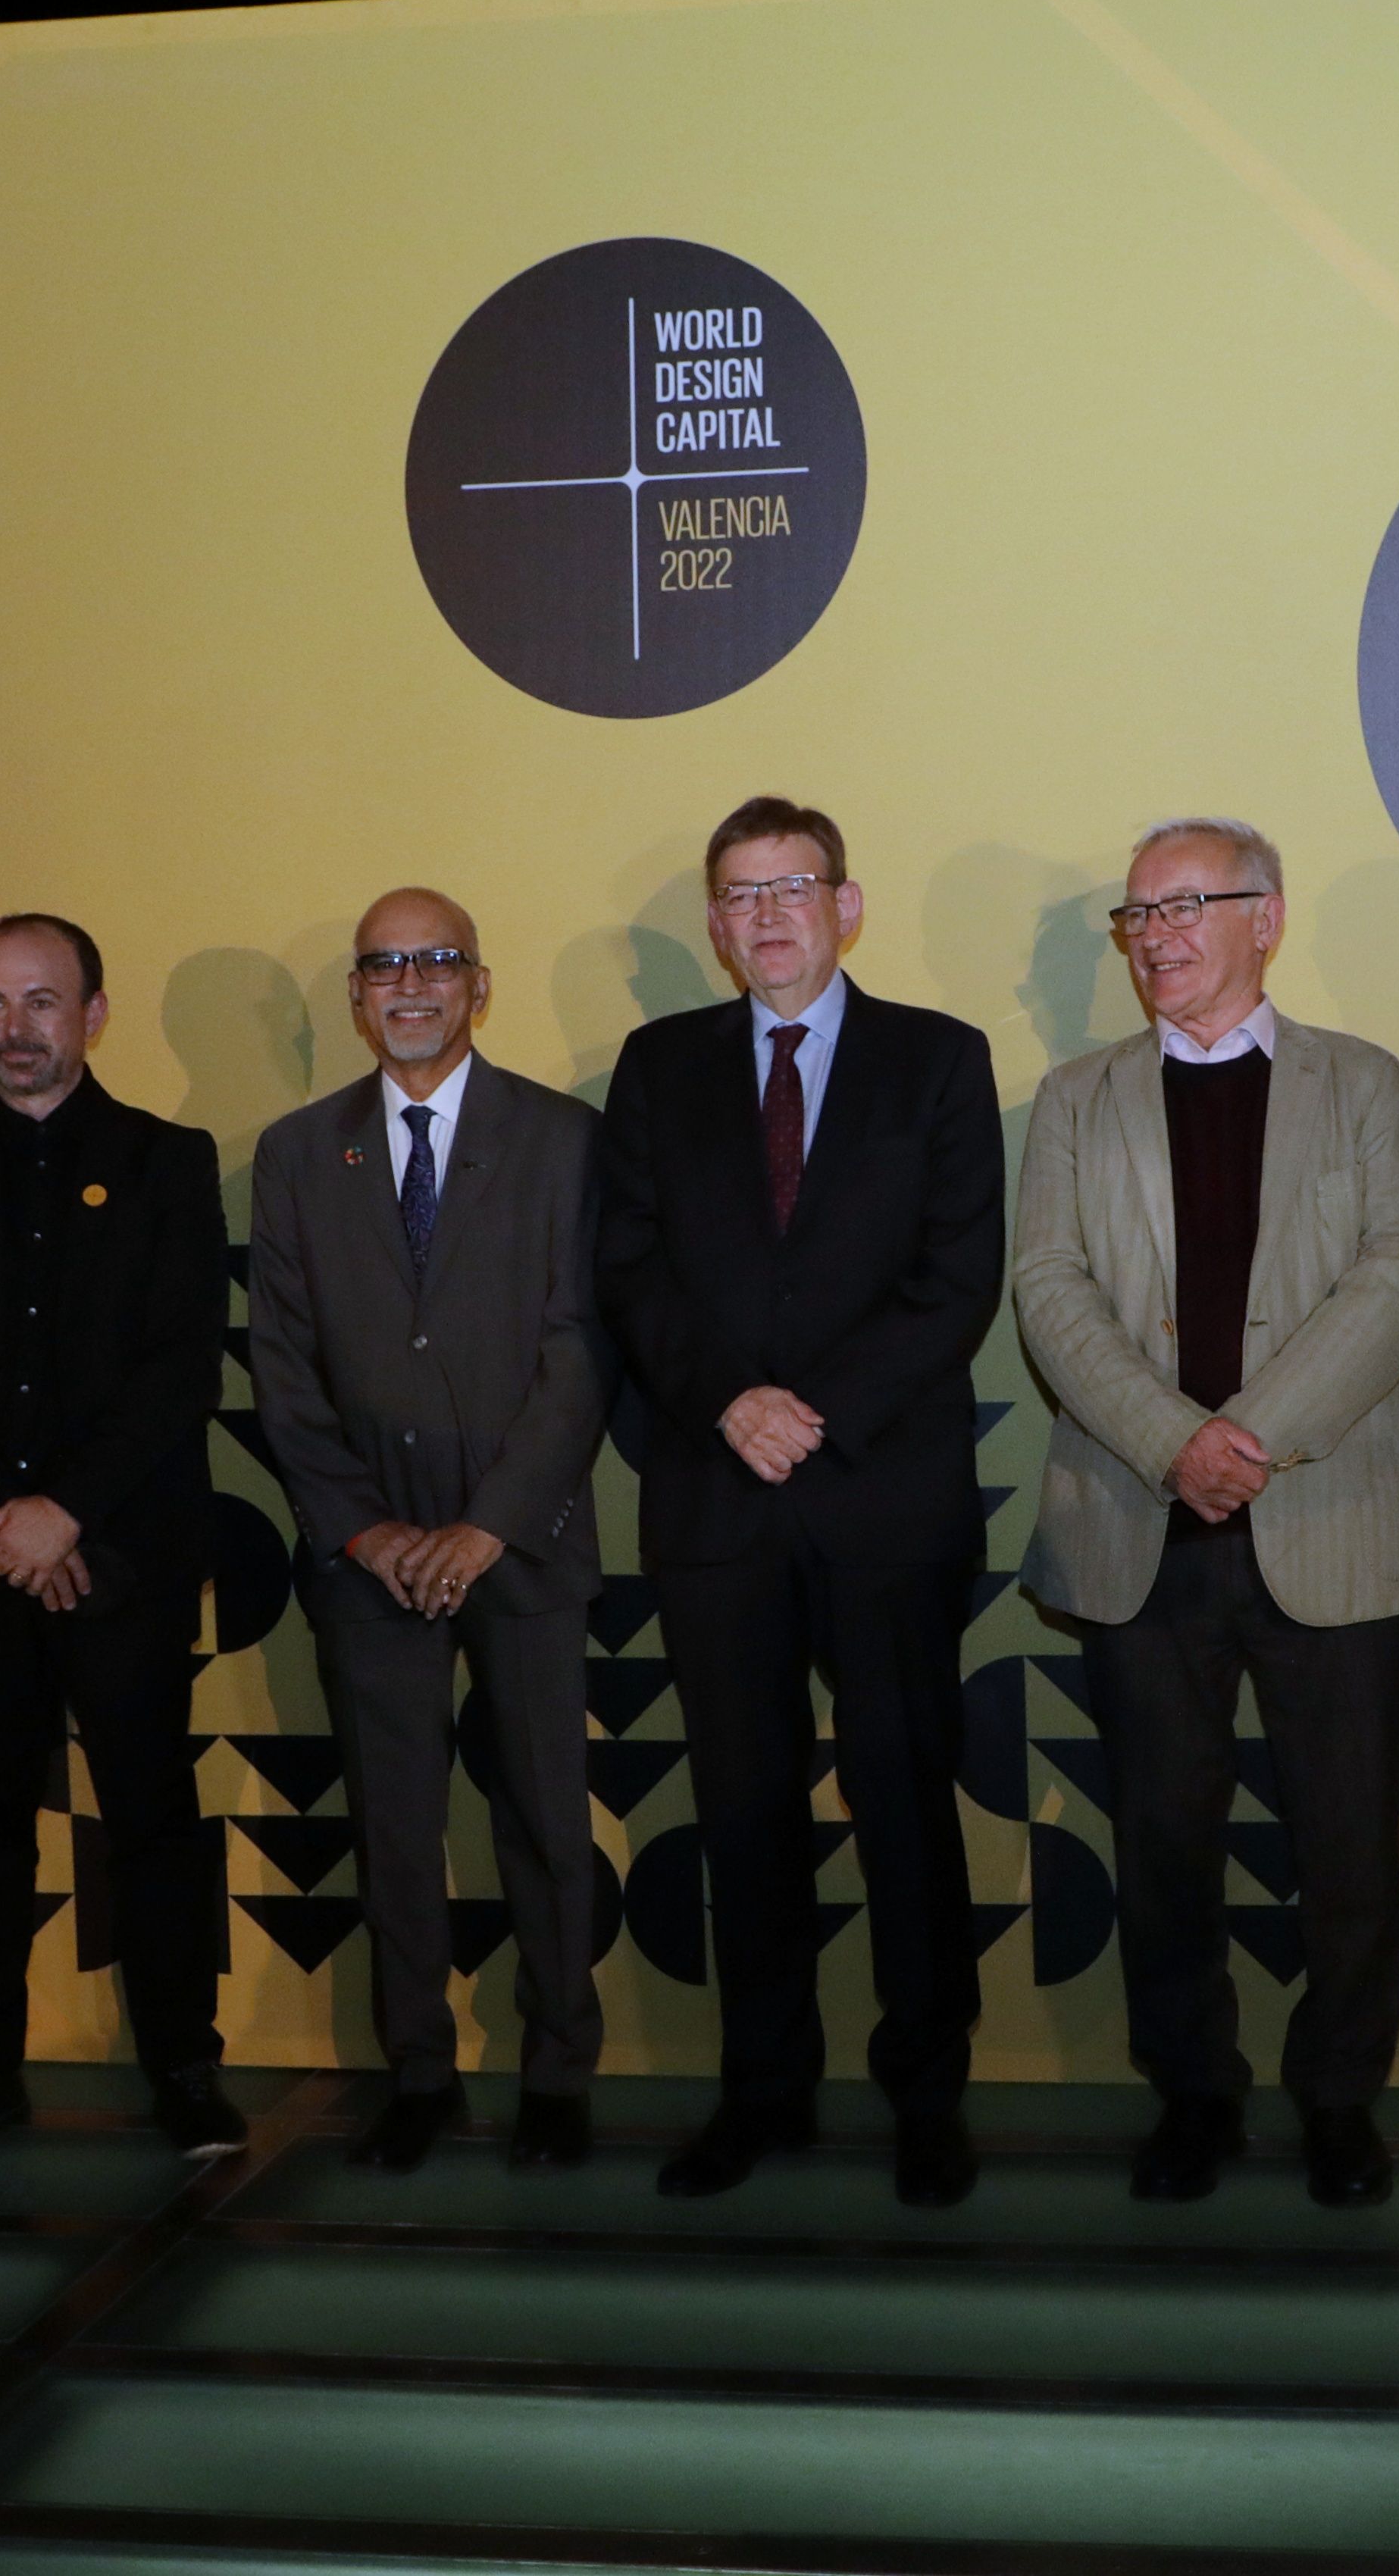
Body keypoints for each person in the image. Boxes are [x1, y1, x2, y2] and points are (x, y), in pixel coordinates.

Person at [1013, 818, 1399, 2209]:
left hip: (1331, 1520)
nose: (1155, 935)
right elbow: (1049, 1292)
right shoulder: (1075, 1100)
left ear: (1266, 917)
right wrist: (1173, 1445)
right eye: (1135, 915)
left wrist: (1248, 1437)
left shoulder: (1367, 1083)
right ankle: (1194, 2095)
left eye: (1185, 906)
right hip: (1141, 1530)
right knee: (1162, 1843)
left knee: (1348, 1846)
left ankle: (1341, 2102)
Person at [598, 796, 1003, 2205]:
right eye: (739, 893)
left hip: (883, 1493)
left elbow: (958, 1279)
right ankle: (763, 2089)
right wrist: (731, 1400)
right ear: (714, 925)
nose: (766, 913)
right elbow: (632, 1266)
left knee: (904, 1803)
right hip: (717, 1496)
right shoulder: (655, 1069)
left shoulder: (940, 1062)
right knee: (743, 1809)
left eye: (793, 886)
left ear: (849, 903)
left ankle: (927, 2095)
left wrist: (809, 1410)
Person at [249, 887, 612, 2174]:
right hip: (369, 1562)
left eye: (437, 961)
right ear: (355, 995)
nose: (410, 983)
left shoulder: (566, 1138)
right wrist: (363, 1533)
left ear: (479, 983)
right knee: (394, 1827)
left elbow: (580, 1354)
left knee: (546, 1826)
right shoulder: (296, 1154)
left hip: (523, 1547)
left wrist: (486, 1528)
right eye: (384, 965)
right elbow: (282, 1372)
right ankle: (418, 2068)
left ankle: (558, 2068)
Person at [0, 913, 239, 2163]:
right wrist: (6, 1518)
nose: (14, 1028)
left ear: (95, 1013)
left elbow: (179, 1367)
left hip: (119, 1555)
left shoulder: (168, 1162)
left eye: (42, 1001)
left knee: (150, 1815)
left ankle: (186, 2067)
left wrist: (65, 1511)